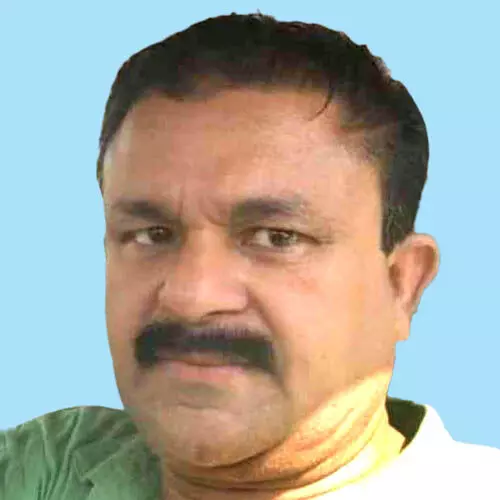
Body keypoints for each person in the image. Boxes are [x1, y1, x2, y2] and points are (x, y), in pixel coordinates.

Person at [1, 12, 498, 500]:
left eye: (276, 238)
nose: (191, 297)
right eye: (152, 234)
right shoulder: (41, 469)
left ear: (401, 285)